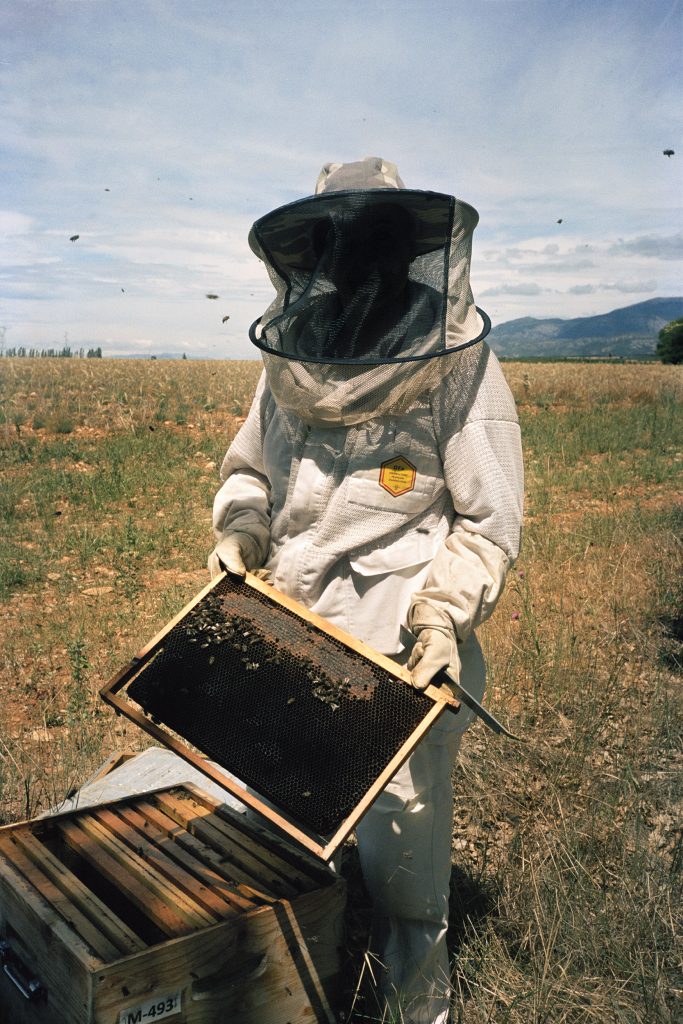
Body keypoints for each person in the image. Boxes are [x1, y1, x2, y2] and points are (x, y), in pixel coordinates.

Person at [209, 157, 524, 1024]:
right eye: (335, 239)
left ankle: (417, 1002)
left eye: (370, 237)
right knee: (282, 810)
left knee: (404, 839)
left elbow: (489, 519)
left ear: (403, 245)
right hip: (290, 619)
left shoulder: (457, 361)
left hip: (397, 644)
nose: (354, 256)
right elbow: (248, 473)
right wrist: (240, 530)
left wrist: (441, 618)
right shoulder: (291, 356)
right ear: (312, 250)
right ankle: (288, 978)